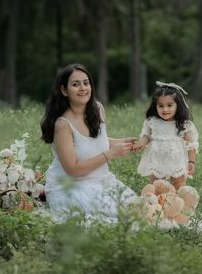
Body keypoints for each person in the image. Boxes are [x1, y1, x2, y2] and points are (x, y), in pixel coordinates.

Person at [41, 63, 137, 222]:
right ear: (64, 90)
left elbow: (95, 141)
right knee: (112, 220)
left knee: (138, 211)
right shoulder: (63, 125)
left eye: (86, 83)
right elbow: (73, 169)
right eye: (75, 84)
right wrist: (110, 154)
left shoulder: (97, 109)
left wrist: (122, 143)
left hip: (101, 180)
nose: (83, 88)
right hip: (71, 186)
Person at [133, 81, 199, 189]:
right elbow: (148, 136)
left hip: (176, 160)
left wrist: (191, 161)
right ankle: (157, 204)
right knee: (155, 186)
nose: (165, 109)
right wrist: (140, 143)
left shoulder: (182, 124)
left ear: (178, 105)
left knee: (179, 185)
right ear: (156, 106)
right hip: (157, 160)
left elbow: (191, 144)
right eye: (161, 106)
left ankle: (180, 204)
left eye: (169, 105)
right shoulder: (153, 121)